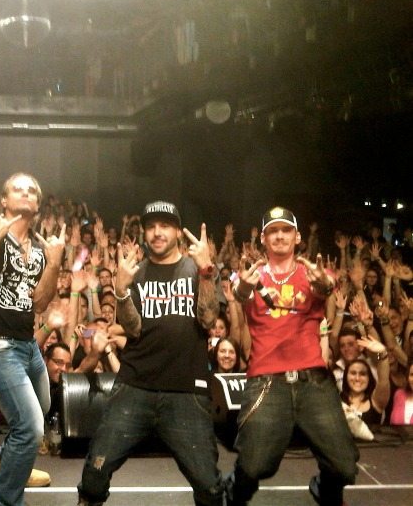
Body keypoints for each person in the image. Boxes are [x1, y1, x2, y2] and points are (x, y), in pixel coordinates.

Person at [77, 200, 224, 506]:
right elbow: (133, 329)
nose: (158, 232)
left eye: (165, 226)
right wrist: (121, 290)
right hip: (135, 385)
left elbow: (209, 319)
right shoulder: (135, 272)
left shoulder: (198, 269)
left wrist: (206, 272)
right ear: (144, 233)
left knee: (209, 486)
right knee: (94, 472)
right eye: (151, 227)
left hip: (187, 390)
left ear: (178, 232)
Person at [225, 207, 358, 506]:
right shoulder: (250, 275)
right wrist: (243, 287)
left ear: (297, 237)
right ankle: (232, 494)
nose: (280, 236)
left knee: (344, 466)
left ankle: (325, 492)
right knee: (254, 466)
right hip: (266, 380)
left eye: (286, 230)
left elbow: (326, 287)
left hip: (314, 379)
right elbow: (239, 291)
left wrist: (323, 285)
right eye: (273, 231)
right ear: (263, 238)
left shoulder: (314, 272)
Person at [0, 172, 65, 506]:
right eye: (17, 189)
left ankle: (7, 461)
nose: (25, 194)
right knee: (30, 426)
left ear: (37, 204)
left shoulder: (39, 248)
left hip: (27, 344)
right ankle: (2, 500)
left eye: (31, 191)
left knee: (42, 408)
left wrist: (54, 264)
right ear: (4, 200)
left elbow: (39, 302)